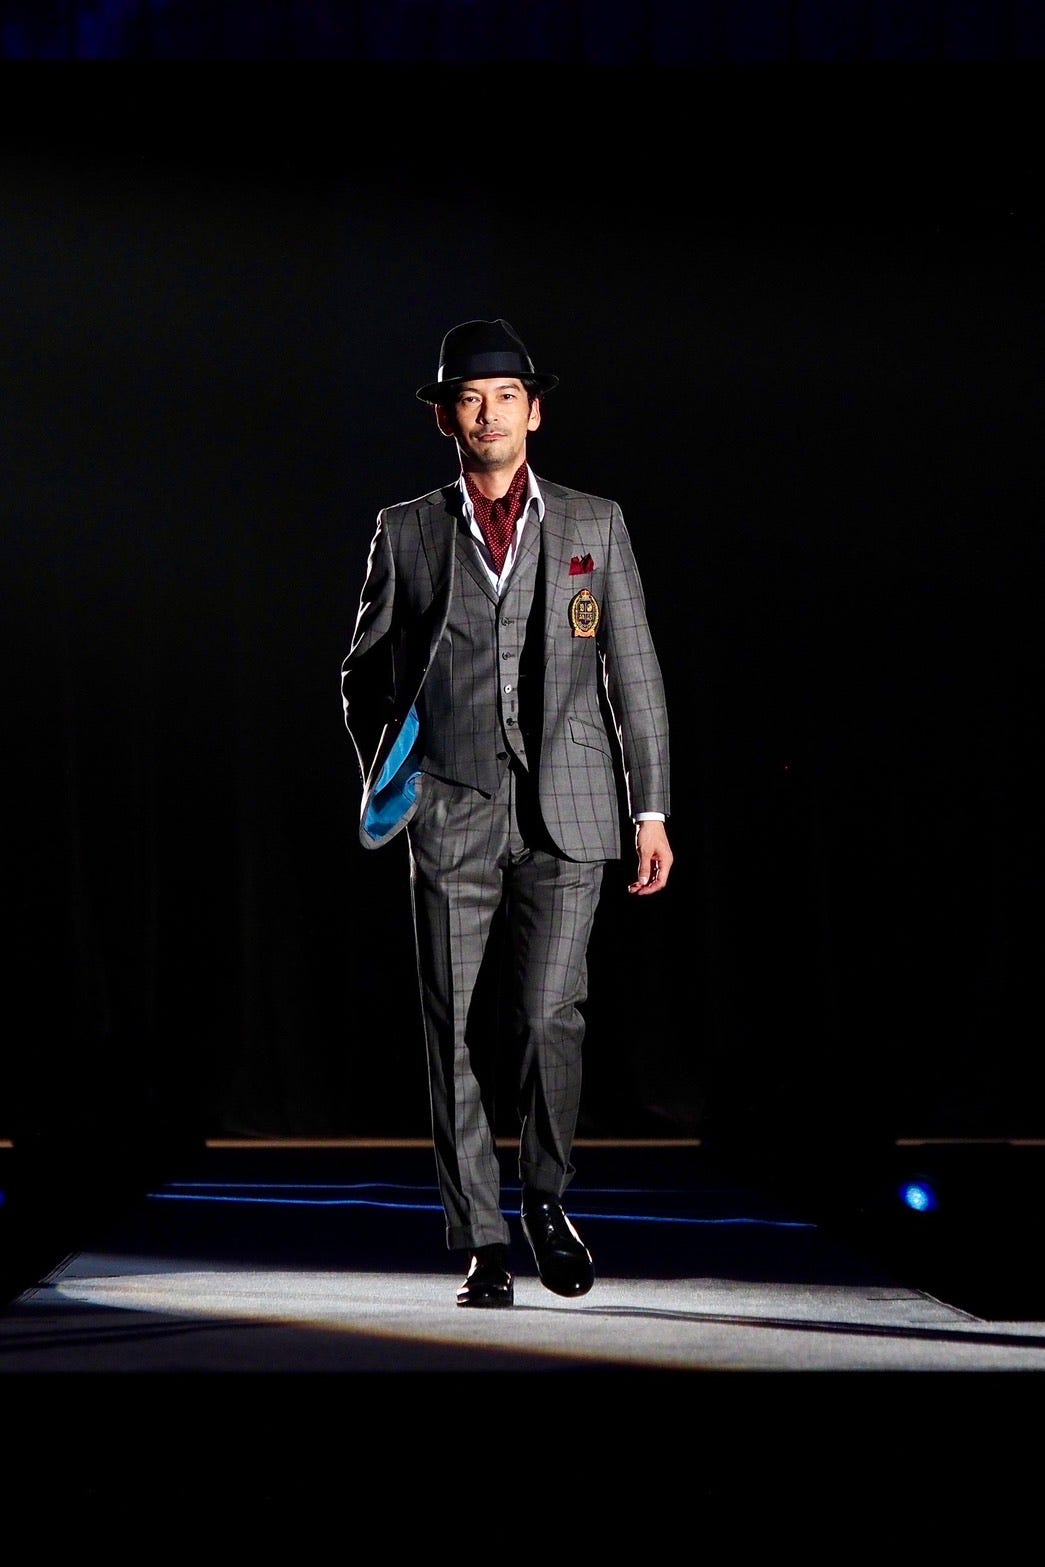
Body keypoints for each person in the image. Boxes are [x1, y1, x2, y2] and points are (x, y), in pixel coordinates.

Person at [341, 318, 673, 1307]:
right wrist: (396, 772)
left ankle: (546, 1199)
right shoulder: (407, 528)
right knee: (448, 1027)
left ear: (533, 411)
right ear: (446, 419)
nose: (487, 414)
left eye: (504, 397)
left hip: (570, 809)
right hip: (451, 810)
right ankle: (482, 1241)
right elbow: (362, 673)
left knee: (546, 1015)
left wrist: (650, 809)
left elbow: (635, 674)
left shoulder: (593, 522)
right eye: (468, 400)